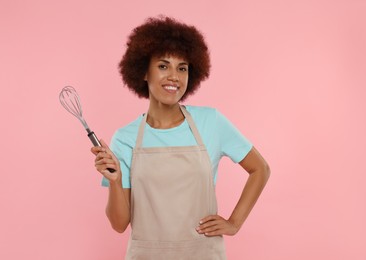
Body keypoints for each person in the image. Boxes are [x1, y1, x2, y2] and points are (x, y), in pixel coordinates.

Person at [91, 16, 270, 260]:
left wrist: (234, 222)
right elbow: (119, 224)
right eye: (163, 66)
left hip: (202, 253)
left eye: (182, 68)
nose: (174, 76)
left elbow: (260, 169)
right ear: (144, 72)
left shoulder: (211, 122)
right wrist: (115, 179)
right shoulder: (125, 138)